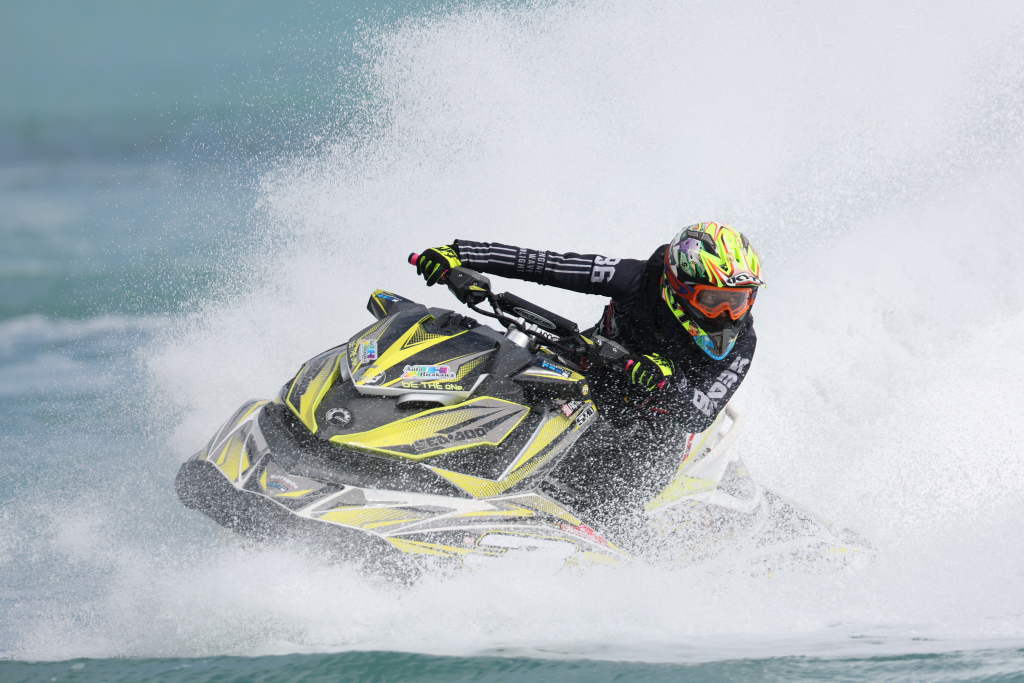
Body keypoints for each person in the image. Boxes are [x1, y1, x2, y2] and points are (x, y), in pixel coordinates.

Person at [414, 222, 765, 529]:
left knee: (608, 513)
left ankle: (624, 563)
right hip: (584, 376)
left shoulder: (743, 342)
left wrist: (665, 380)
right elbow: (546, 264)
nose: (727, 314)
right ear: (679, 287)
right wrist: (460, 254)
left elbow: (701, 414)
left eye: (738, 302)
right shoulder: (637, 279)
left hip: (653, 433)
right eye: (714, 300)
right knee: (502, 374)